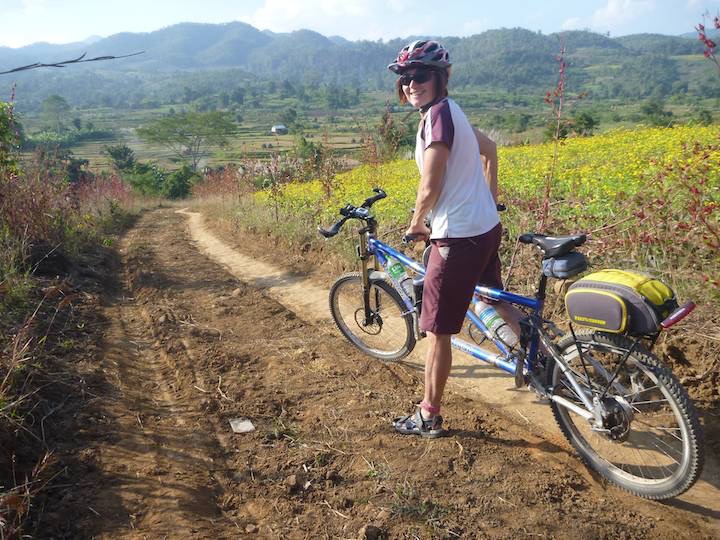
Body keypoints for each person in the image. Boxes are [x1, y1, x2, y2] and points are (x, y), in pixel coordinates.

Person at [388, 40, 518, 438]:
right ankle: (542, 358)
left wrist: (416, 222)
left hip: (457, 237)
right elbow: (490, 149)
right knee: (494, 296)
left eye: (421, 76)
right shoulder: (451, 110)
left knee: (438, 333)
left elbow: (431, 183)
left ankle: (429, 414)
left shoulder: (436, 119)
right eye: (406, 78)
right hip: (484, 230)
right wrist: (490, 202)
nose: (412, 84)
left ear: (441, 77)